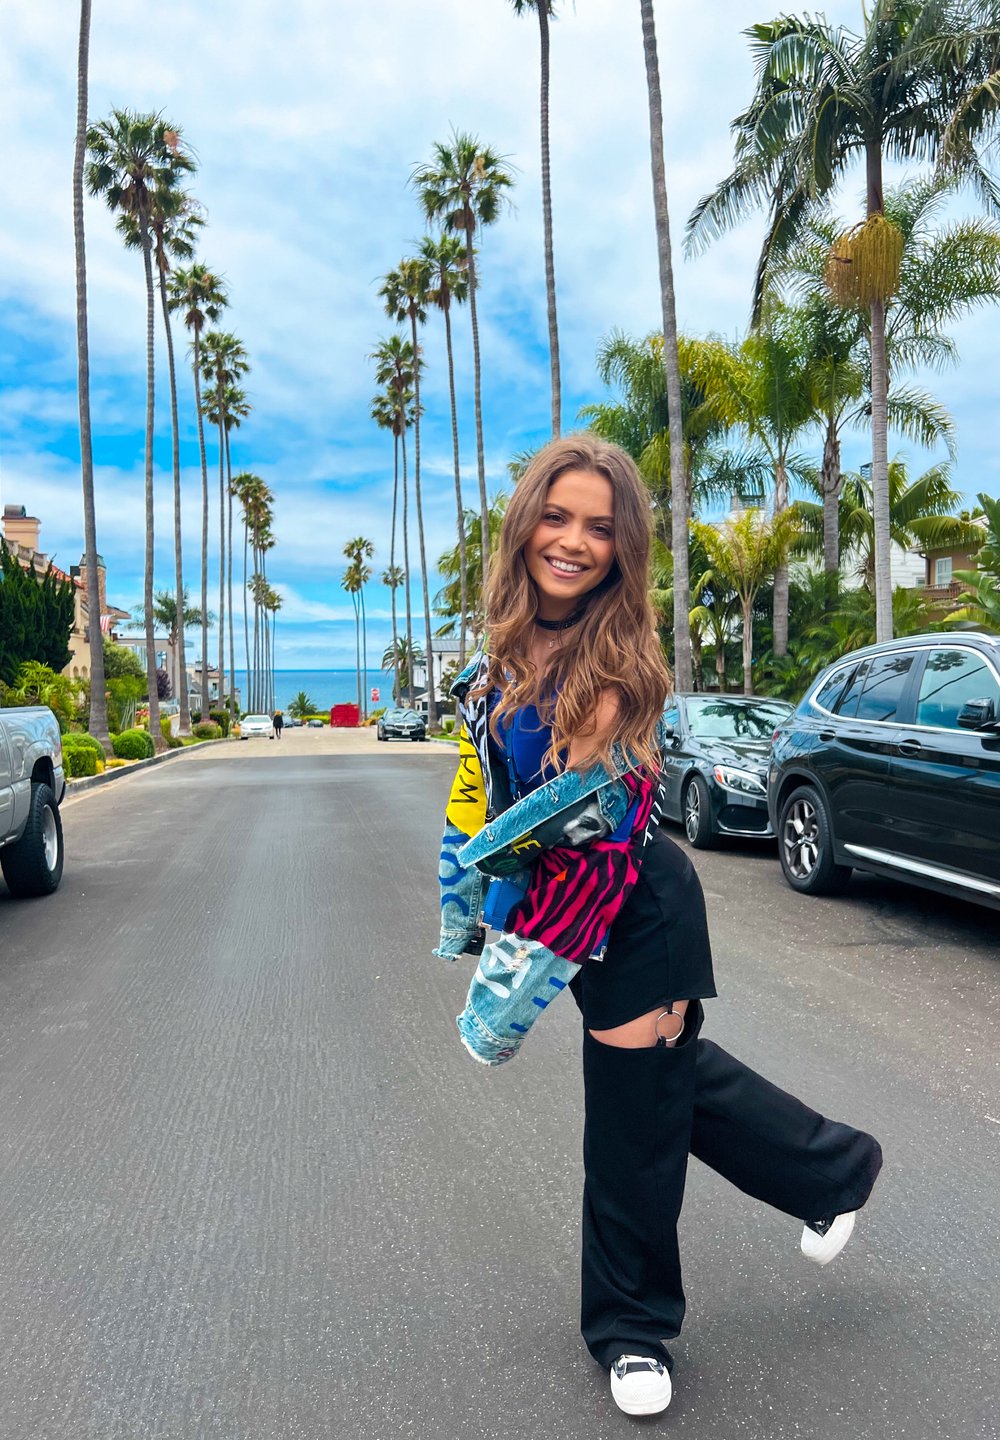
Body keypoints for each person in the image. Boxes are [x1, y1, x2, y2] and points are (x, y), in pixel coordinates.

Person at [435, 435, 882, 1419]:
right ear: (525, 526)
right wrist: (477, 900)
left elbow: (553, 822)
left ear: (621, 548)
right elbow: (489, 793)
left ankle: (632, 1332)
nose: (572, 541)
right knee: (667, 1082)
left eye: (599, 527)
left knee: (630, 1119)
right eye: (557, 517)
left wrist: (505, 934)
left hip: (629, 905)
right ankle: (833, 1169)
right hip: (568, 903)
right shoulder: (503, 650)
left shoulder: (615, 663)